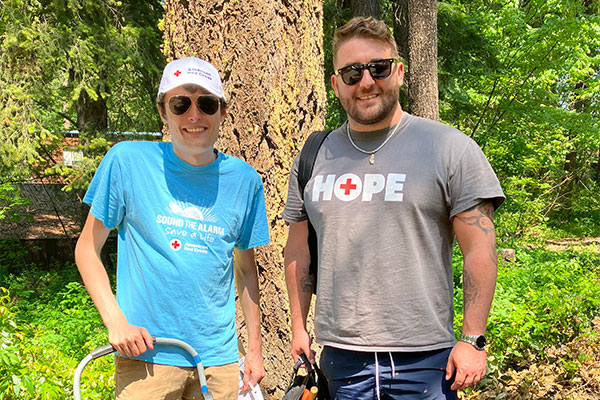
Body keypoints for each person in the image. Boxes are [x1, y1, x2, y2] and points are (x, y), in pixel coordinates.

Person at [283, 17, 505, 400]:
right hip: (342, 361)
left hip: (427, 362)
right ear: (336, 85)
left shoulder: (449, 148)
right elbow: (298, 250)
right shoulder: (312, 156)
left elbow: (480, 248)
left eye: (378, 68)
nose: (366, 82)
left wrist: (473, 339)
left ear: (399, 72)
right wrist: (299, 328)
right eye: (351, 73)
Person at [75, 57, 270, 400]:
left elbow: (246, 269)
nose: (194, 115)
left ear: (222, 112)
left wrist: (253, 348)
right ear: (164, 112)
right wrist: (115, 322)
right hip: (149, 357)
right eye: (180, 103)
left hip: (219, 362)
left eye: (206, 103)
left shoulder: (245, 181)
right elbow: (87, 250)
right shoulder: (128, 162)